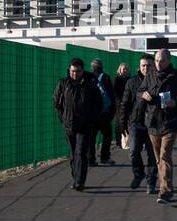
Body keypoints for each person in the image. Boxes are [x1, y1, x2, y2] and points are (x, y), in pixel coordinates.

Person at [141, 47, 177, 204]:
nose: (158, 63)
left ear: (168, 60)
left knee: (165, 155)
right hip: (153, 122)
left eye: (161, 61)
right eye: (156, 60)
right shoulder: (149, 75)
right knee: (158, 159)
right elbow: (140, 90)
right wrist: (143, 94)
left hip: (170, 121)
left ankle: (165, 191)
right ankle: (165, 186)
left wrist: (175, 102)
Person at [53, 58, 102, 191]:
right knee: (73, 154)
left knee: (80, 152)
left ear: (82, 70)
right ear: (69, 70)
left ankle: (80, 181)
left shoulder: (90, 84)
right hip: (69, 125)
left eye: (78, 71)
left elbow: (98, 103)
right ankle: (76, 177)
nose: (75, 74)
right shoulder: (63, 84)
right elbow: (57, 102)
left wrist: (93, 119)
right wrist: (63, 118)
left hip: (85, 125)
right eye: (72, 71)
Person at [118, 54, 158, 193]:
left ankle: (151, 182)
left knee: (153, 155)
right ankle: (138, 173)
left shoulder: (158, 80)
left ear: (153, 66)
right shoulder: (132, 82)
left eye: (148, 65)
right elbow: (125, 103)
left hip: (154, 123)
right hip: (137, 122)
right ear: (139, 67)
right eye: (143, 65)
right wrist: (122, 123)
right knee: (133, 152)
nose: (146, 68)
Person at [89, 58, 116, 165]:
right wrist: (112, 110)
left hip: (92, 113)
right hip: (104, 113)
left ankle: (90, 158)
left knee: (91, 137)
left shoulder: (88, 77)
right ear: (101, 66)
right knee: (107, 135)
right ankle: (104, 157)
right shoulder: (105, 77)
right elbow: (110, 95)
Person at [113, 63, 130, 145]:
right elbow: (115, 92)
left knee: (128, 122)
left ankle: (127, 141)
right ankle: (118, 141)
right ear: (120, 70)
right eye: (123, 69)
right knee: (119, 122)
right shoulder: (116, 79)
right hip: (119, 104)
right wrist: (119, 101)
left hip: (128, 103)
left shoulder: (129, 79)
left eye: (126, 69)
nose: (125, 70)